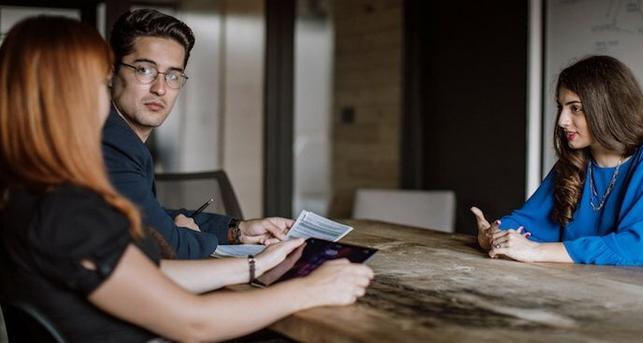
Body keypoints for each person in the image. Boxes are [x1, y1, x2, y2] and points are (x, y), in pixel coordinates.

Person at [0, 16, 373, 342]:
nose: (107, 94)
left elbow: (145, 274)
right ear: (67, 97)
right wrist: (310, 290)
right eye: (100, 82)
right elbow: (193, 324)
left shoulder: (30, 194)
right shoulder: (67, 210)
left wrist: (254, 264)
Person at [470, 55, 643, 270]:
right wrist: (492, 235)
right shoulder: (574, 164)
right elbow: (528, 224)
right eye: (561, 107)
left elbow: (637, 246)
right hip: (587, 293)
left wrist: (537, 251)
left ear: (607, 107)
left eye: (575, 108)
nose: (562, 121)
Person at [103, 9, 287, 259]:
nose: (160, 88)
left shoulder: (122, 138)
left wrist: (238, 231)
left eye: (172, 75)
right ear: (111, 73)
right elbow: (171, 247)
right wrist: (189, 236)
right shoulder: (111, 144)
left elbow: (152, 216)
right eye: (144, 69)